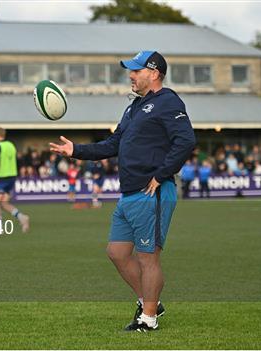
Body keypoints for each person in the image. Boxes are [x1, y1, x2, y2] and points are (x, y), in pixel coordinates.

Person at [50, 51, 195, 332]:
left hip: (150, 192)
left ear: (153, 73)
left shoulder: (168, 101)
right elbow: (112, 144)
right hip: (128, 193)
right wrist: (75, 150)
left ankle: (149, 319)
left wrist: (161, 174)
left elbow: (186, 140)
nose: (130, 75)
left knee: (147, 257)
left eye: (136, 70)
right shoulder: (133, 107)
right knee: (116, 252)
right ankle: (150, 301)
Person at [0, 127, 29, 233]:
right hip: (12, 177)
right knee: (3, 203)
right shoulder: (11, 145)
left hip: (1, 178)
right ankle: (22, 217)